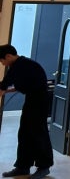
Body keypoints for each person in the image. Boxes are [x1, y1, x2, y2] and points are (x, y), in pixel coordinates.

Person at [0, 45, 53, 179]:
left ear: (8, 56)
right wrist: (5, 90)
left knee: (38, 133)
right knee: (24, 133)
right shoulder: (19, 65)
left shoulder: (22, 65)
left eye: (1, 60)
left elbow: (5, 83)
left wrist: (3, 89)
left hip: (39, 101)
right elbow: (17, 86)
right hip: (31, 100)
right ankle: (23, 167)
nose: (2, 63)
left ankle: (44, 167)